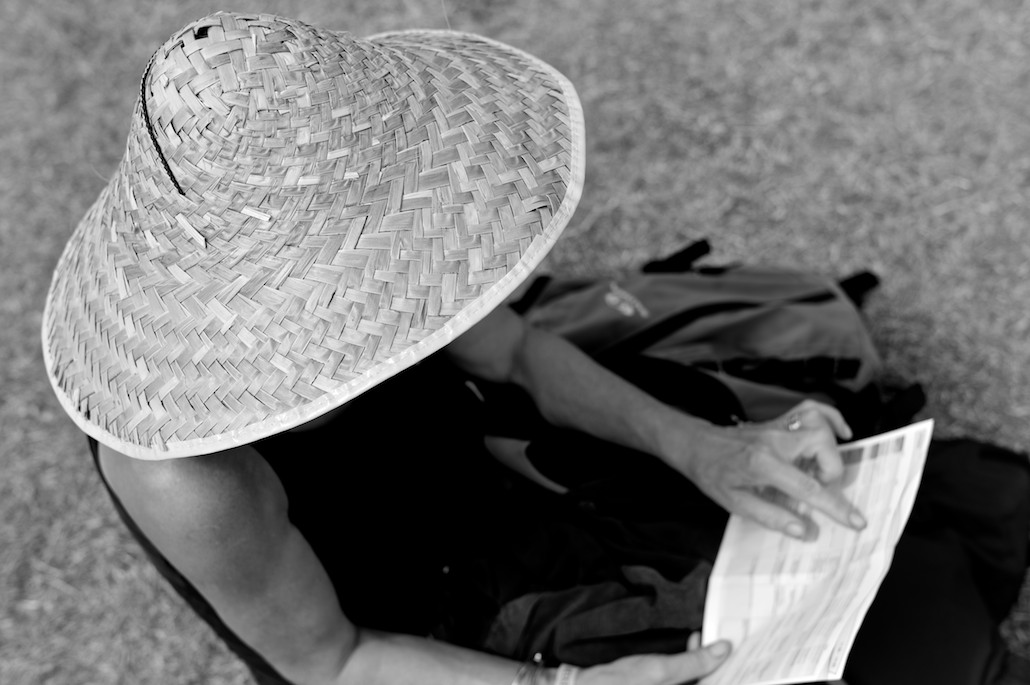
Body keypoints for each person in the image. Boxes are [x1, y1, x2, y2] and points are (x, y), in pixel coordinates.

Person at [45, 11, 1015, 685]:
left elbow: (512, 357)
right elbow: (332, 659)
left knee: (910, 550)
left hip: (479, 474)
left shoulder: (390, 237)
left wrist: (702, 447)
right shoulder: (181, 470)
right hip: (403, 627)